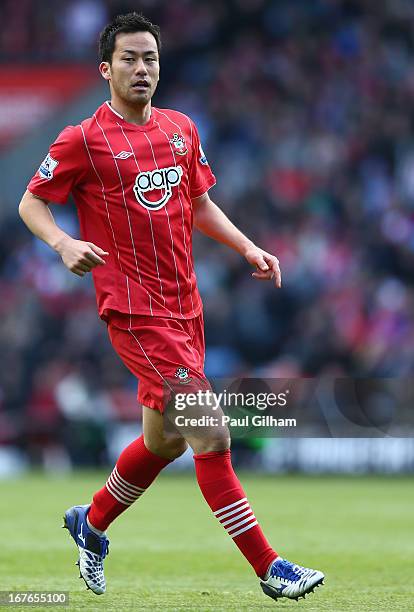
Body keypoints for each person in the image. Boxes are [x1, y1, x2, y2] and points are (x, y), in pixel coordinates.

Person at [19, 12, 324, 603]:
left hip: (187, 309)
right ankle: (270, 567)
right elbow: (32, 203)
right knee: (210, 433)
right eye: (130, 59)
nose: (142, 68)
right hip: (135, 314)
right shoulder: (83, 140)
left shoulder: (181, 128)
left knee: (165, 442)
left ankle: (92, 522)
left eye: (151, 58)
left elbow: (198, 204)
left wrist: (248, 246)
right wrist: (63, 244)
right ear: (106, 70)